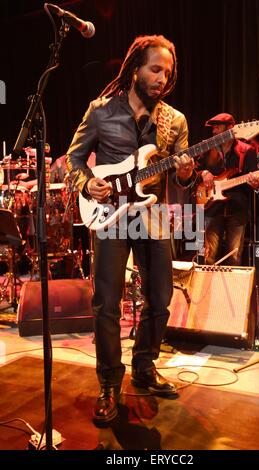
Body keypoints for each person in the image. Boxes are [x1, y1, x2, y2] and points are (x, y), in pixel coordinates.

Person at [66, 34, 195, 424]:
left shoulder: (175, 120)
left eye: (167, 73)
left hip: (151, 212)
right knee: (106, 302)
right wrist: (87, 183)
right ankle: (108, 383)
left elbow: (182, 177)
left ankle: (144, 365)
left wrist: (186, 174)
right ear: (136, 68)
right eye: (155, 69)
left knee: (160, 295)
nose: (161, 78)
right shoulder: (101, 111)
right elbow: (74, 160)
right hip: (109, 212)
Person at [197, 112, 259, 266]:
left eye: (218, 128)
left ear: (231, 128)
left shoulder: (248, 150)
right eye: (213, 129)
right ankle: (208, 289)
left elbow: (255, 179)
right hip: (211, 207)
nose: (214, 132)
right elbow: (194, 172)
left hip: (237, 209)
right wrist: (204, 173)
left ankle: (233, 290)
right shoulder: (208, 149)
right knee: (208, 255)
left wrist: (255, 184)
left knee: (234, 257)